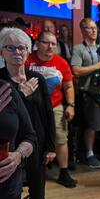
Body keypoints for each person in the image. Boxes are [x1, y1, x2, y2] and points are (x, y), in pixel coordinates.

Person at [0, 28, 55, 199]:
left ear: (27, 51)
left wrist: (50, 146)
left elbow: (48, 115)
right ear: (2, 52)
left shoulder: (37, 79)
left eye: (21, 47)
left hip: (37, 141)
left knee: (37, 181)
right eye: (10, 47)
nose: (16, 52)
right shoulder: (1, 81)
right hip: (9, 144)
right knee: (10, 187)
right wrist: (21, 96)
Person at [25, 31, 77, 188]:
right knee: (30, 137)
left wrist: (71, 105)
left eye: (53, 44)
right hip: (31, 107)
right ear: (38, 43)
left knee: (61, 138)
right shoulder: (28, 60)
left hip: (55, 106)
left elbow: (68, 86)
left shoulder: (61, 63)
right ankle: (29, 171)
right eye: (46, 43)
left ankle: (63, 171)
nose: (50, 46)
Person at [71, 18, 100, 169]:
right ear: (83, 30)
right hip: (89, 93)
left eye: (95, 28)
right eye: (89, 28)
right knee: (91, 125)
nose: (93, 31)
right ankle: (89, 153)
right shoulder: (79, 48)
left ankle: (99, 151)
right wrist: (96, 66)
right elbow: (76, 70)